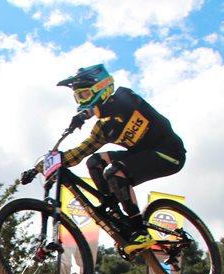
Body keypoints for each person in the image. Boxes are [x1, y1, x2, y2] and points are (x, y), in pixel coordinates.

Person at [22, 64, 186, 255]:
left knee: (115, 171)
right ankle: (116, 216)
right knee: (94, 161)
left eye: (84, 95)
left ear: (101, 87)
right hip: (142, 154)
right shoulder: (103, 128)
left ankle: (140, 230)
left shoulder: (126, 97)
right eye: (78, 97)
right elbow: (79, 153)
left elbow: (119, 105)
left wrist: (89, 112)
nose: (81, 101)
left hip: (169, 153)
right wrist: (42, 166)